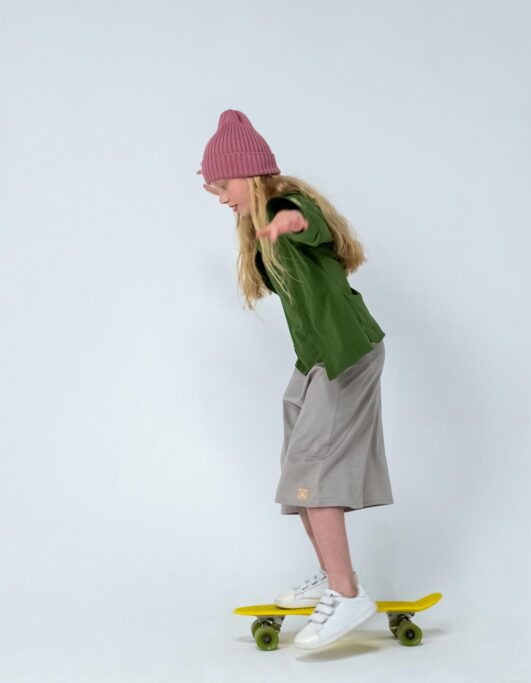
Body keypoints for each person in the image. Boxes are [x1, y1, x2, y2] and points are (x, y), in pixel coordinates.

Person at [198, 109, 394, 650]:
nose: (220, 197)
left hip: (343, 357)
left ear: (252, 175)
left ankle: (348, 593)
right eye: (213, 189)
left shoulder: (287, 204)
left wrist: (289, 223)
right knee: (297, 470)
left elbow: (313, 222)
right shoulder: (257, 227)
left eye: (225, 185)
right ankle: (334, 580)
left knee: (315, 470)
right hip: (315, 361)